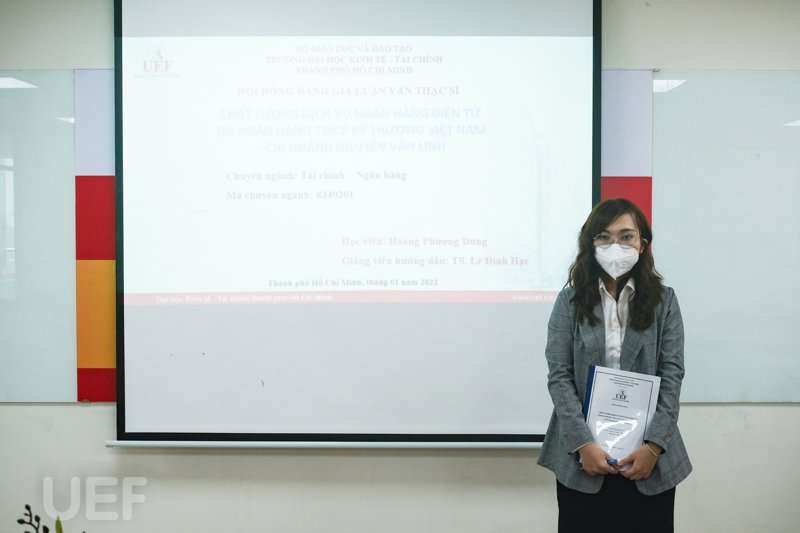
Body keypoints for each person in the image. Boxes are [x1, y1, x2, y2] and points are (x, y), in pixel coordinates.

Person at [537, 198, 692, 533]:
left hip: (648, 459)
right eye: (604, 237)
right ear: (591, 243)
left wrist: (653, 446)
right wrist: (583, 444)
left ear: (643, 244)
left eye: (626, 236)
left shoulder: (664, 301)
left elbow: (672, 375)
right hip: (583, 457)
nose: (615, 245)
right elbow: (560, 376)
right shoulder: (569, 301)